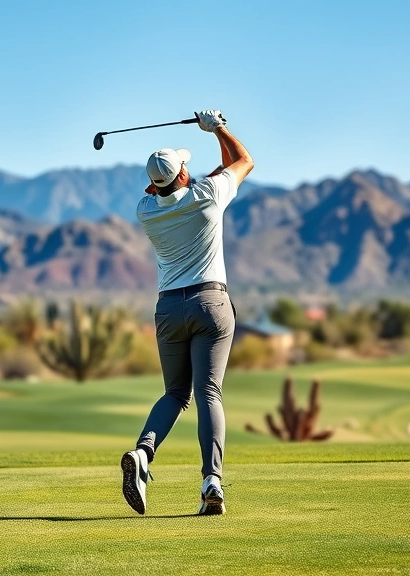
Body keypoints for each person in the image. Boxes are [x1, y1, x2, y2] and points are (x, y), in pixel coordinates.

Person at [120, 109, 254, 516]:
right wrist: (217, 128)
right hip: (210, 305)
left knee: (176, 393)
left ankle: (144, 452)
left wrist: (172, 178)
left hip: (168, 310)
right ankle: (211, 480)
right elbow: (242, 162)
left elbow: (188, 183)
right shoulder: (209, 196)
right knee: (208, 392)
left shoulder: (146, 208)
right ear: (183, 176)